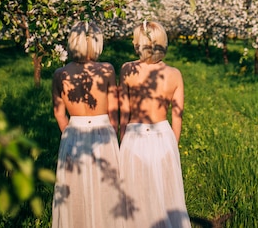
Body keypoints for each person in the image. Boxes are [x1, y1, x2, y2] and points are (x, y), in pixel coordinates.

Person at [51, 20, 124, 228]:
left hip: (73, 132)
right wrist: (114, 134)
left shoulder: (60, 74)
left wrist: (70, 135)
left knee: (75, 187)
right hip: (103, 132)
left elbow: (59, 114)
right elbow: (113, 110)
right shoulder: (107, 70)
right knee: (105, 186)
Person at [119, 20, 191, 228]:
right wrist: (172, 145)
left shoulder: (127, 70)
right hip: (163, 135)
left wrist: (123, 140)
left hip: (135, 135)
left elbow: (124, 112)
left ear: (138, 44)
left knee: (135, 194)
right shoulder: (174, 74)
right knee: (165, 193)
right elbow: (177, 116)